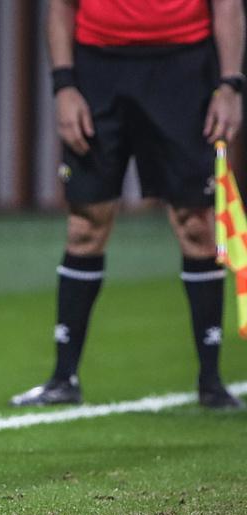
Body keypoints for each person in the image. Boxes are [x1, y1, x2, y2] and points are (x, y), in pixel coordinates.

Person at [12, 0, 246, 409]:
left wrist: (230, 85)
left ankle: (211, 383)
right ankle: (64, 379)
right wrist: (64, 86)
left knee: (195, 223)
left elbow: (227, 5)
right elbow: (60, 7)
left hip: (184, 67)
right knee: (86, 223)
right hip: (96, 68)